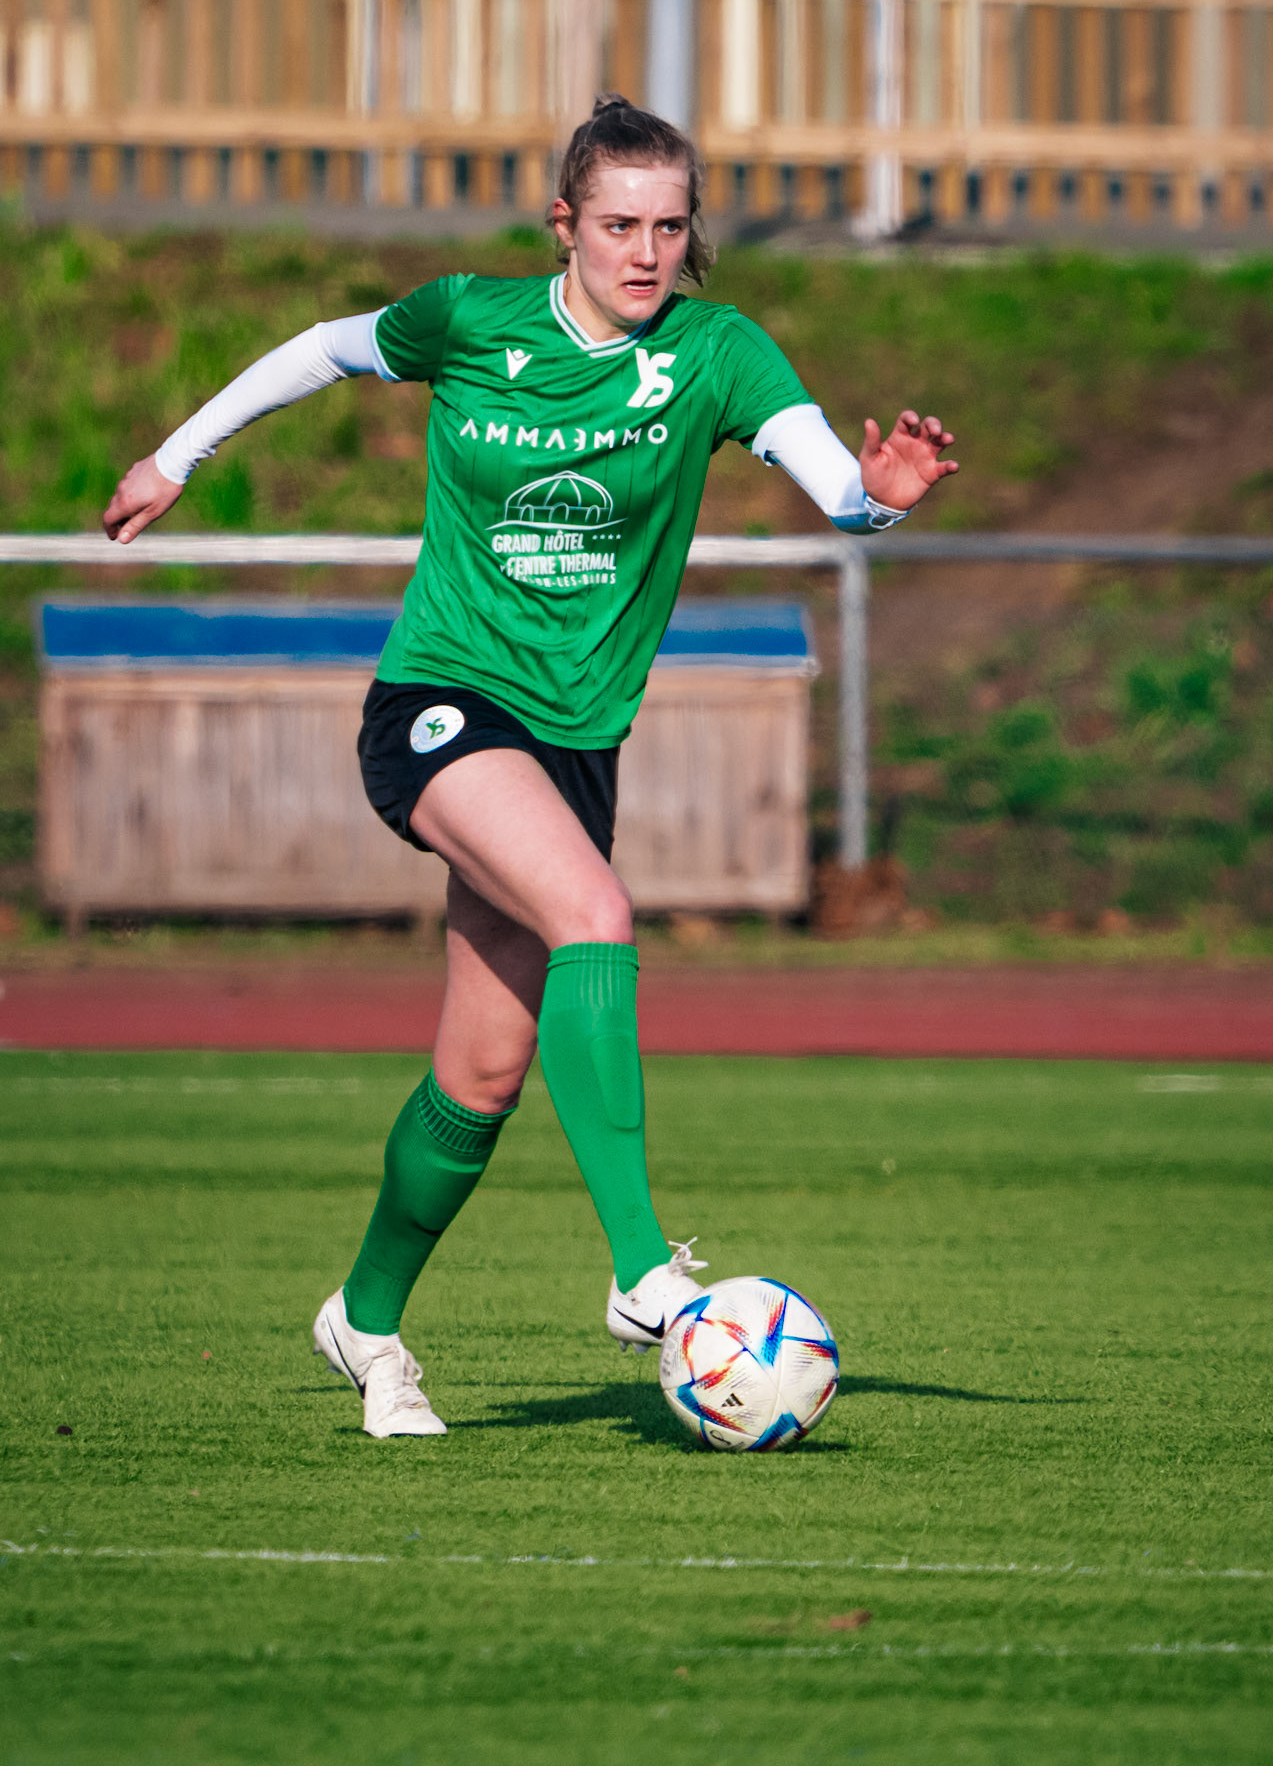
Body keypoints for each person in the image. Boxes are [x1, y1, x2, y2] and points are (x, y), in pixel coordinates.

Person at [103, 94, 958, 1439]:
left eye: (669, 226)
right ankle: (638, 1272)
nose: (645, 250)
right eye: (618, 223)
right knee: (595, 918)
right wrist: (175, 456)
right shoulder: (470, 322)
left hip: (572, 746)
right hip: (440, 705)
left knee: (484, 1072)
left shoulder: (716, 352)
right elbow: (321, 353)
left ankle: (366, 1324)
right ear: (563, 225)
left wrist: (883, 494)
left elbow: (832, 488)